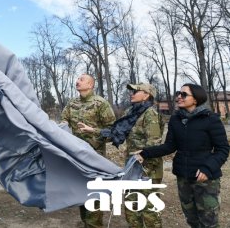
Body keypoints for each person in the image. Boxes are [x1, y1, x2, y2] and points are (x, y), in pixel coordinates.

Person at [135, 84, 229, 228]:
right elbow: (170, 146)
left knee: (209, 222)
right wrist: (145, 153)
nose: (179, 96)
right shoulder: (176, 119)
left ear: (196, 99)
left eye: (184, 94)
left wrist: (207, 168)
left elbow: (222, 149)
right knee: (192, 220)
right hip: (183, 178)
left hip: (205, 179)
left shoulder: (211, 119)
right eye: (179, 93)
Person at [82, 83, 163, 228]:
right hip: (132, 167)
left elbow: (154, 144)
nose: (132, 93)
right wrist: (92, 130)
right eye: (131, 91)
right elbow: (116, 134)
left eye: (136, 91)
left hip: (148, 170)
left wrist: (145, 166)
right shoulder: (130, 113)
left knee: (150, 212)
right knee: (132, 209)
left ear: (146, 95)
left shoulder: (150, 114)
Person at [60, 73, 116, 228]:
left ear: (91, 85)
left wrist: (93, 130)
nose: (77, 81)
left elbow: (113, 132)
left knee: (95, 197)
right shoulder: (72, 103)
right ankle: (87, 223)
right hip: (77, 159)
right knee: (82, 194)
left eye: (82, 79)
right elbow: (63, 122)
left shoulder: (101, 103)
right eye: (77, 78)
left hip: (95, 160)